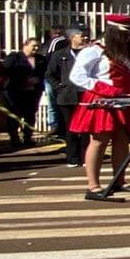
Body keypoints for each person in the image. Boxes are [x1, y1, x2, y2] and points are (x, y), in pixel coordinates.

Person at [69, 15, 130, 201]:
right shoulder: (94, 51)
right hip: (102, 102)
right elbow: (77, 76)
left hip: (124, 102)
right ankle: (93, 186)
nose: (129, 38)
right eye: (126, 34)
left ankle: (119, 180)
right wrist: (105, 89)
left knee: (122, 141)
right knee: (99, 141)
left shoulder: (126, 53)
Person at [44, 25, 91, 168]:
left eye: (86, 35)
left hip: (86, 95)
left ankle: (86, 156)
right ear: (72, 37)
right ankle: (72, 158)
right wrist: (59, 86)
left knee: (86, 128)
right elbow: (50, 74)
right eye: (81, 35)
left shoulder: (90, 53)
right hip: (67, 96)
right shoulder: (60, 55)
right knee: (71, 128)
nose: (85, 38)